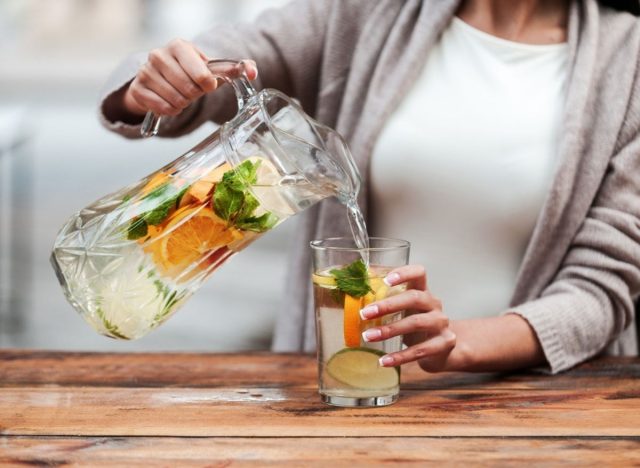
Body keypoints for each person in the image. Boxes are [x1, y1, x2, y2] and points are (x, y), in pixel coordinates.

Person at [100, 0, 640, 374]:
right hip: (345, 393)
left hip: (541, 412)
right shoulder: (366, 13)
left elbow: (605, 286)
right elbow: (235, 55)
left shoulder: (628, 59)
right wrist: (162, 81)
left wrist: (459, 343)